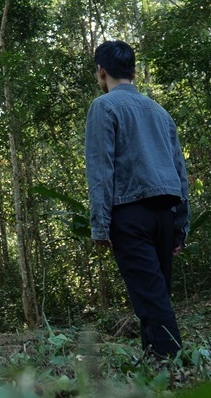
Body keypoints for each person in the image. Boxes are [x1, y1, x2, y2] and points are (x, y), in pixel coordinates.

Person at [84, 40, 192, 358]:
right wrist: (180, 226)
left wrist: (100, 226)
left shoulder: (103, 107)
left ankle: (172, 369)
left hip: (130, 216)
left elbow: (101, 171)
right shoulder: (159, 111)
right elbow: (180, 172)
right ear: (133, 71)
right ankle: (155, 363)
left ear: (101, 72)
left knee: (151, 299)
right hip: (165, 215)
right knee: (156, 296)